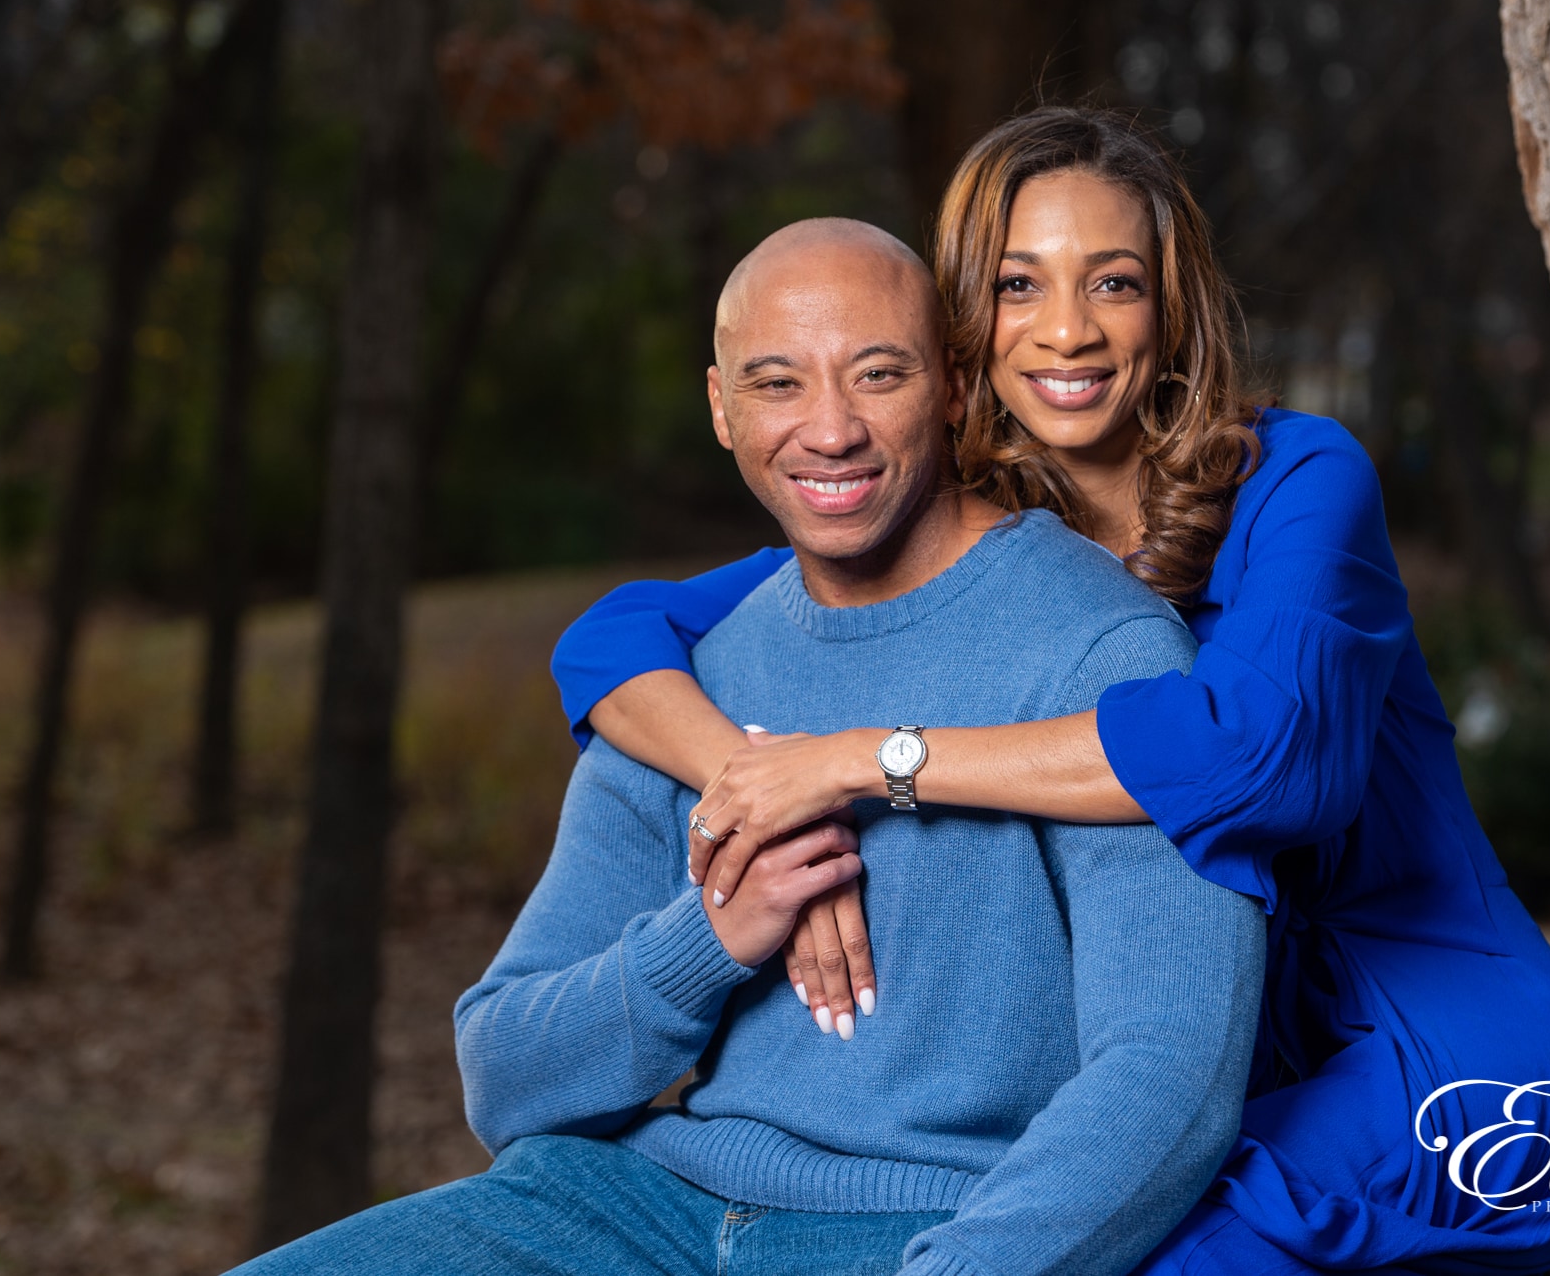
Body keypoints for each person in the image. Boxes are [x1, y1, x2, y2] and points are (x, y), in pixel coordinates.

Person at [551, 107, 1550, 1274]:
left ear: (1170, 310)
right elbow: (612, 639)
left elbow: (1255, 761)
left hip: (1437, 1041)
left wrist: (866, 757)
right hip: (1231, 1065)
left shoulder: (1299, 478)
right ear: (967, 322)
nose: (1066, 330)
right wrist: (760, 791)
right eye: (1017, 285)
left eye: (1111, 283)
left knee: (1147, 1249)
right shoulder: (958, 535)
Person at [231, 217, 1266, 1276]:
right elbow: (506, 1075)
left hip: (923, 1226)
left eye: (876, 374)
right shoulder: (695, 679)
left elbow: (1171, 1075)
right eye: (776, 384)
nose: (829, 430)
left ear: (954, 386)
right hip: (635, 1208)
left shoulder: (1099, 648)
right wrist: (709, 939)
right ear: (721, 408)